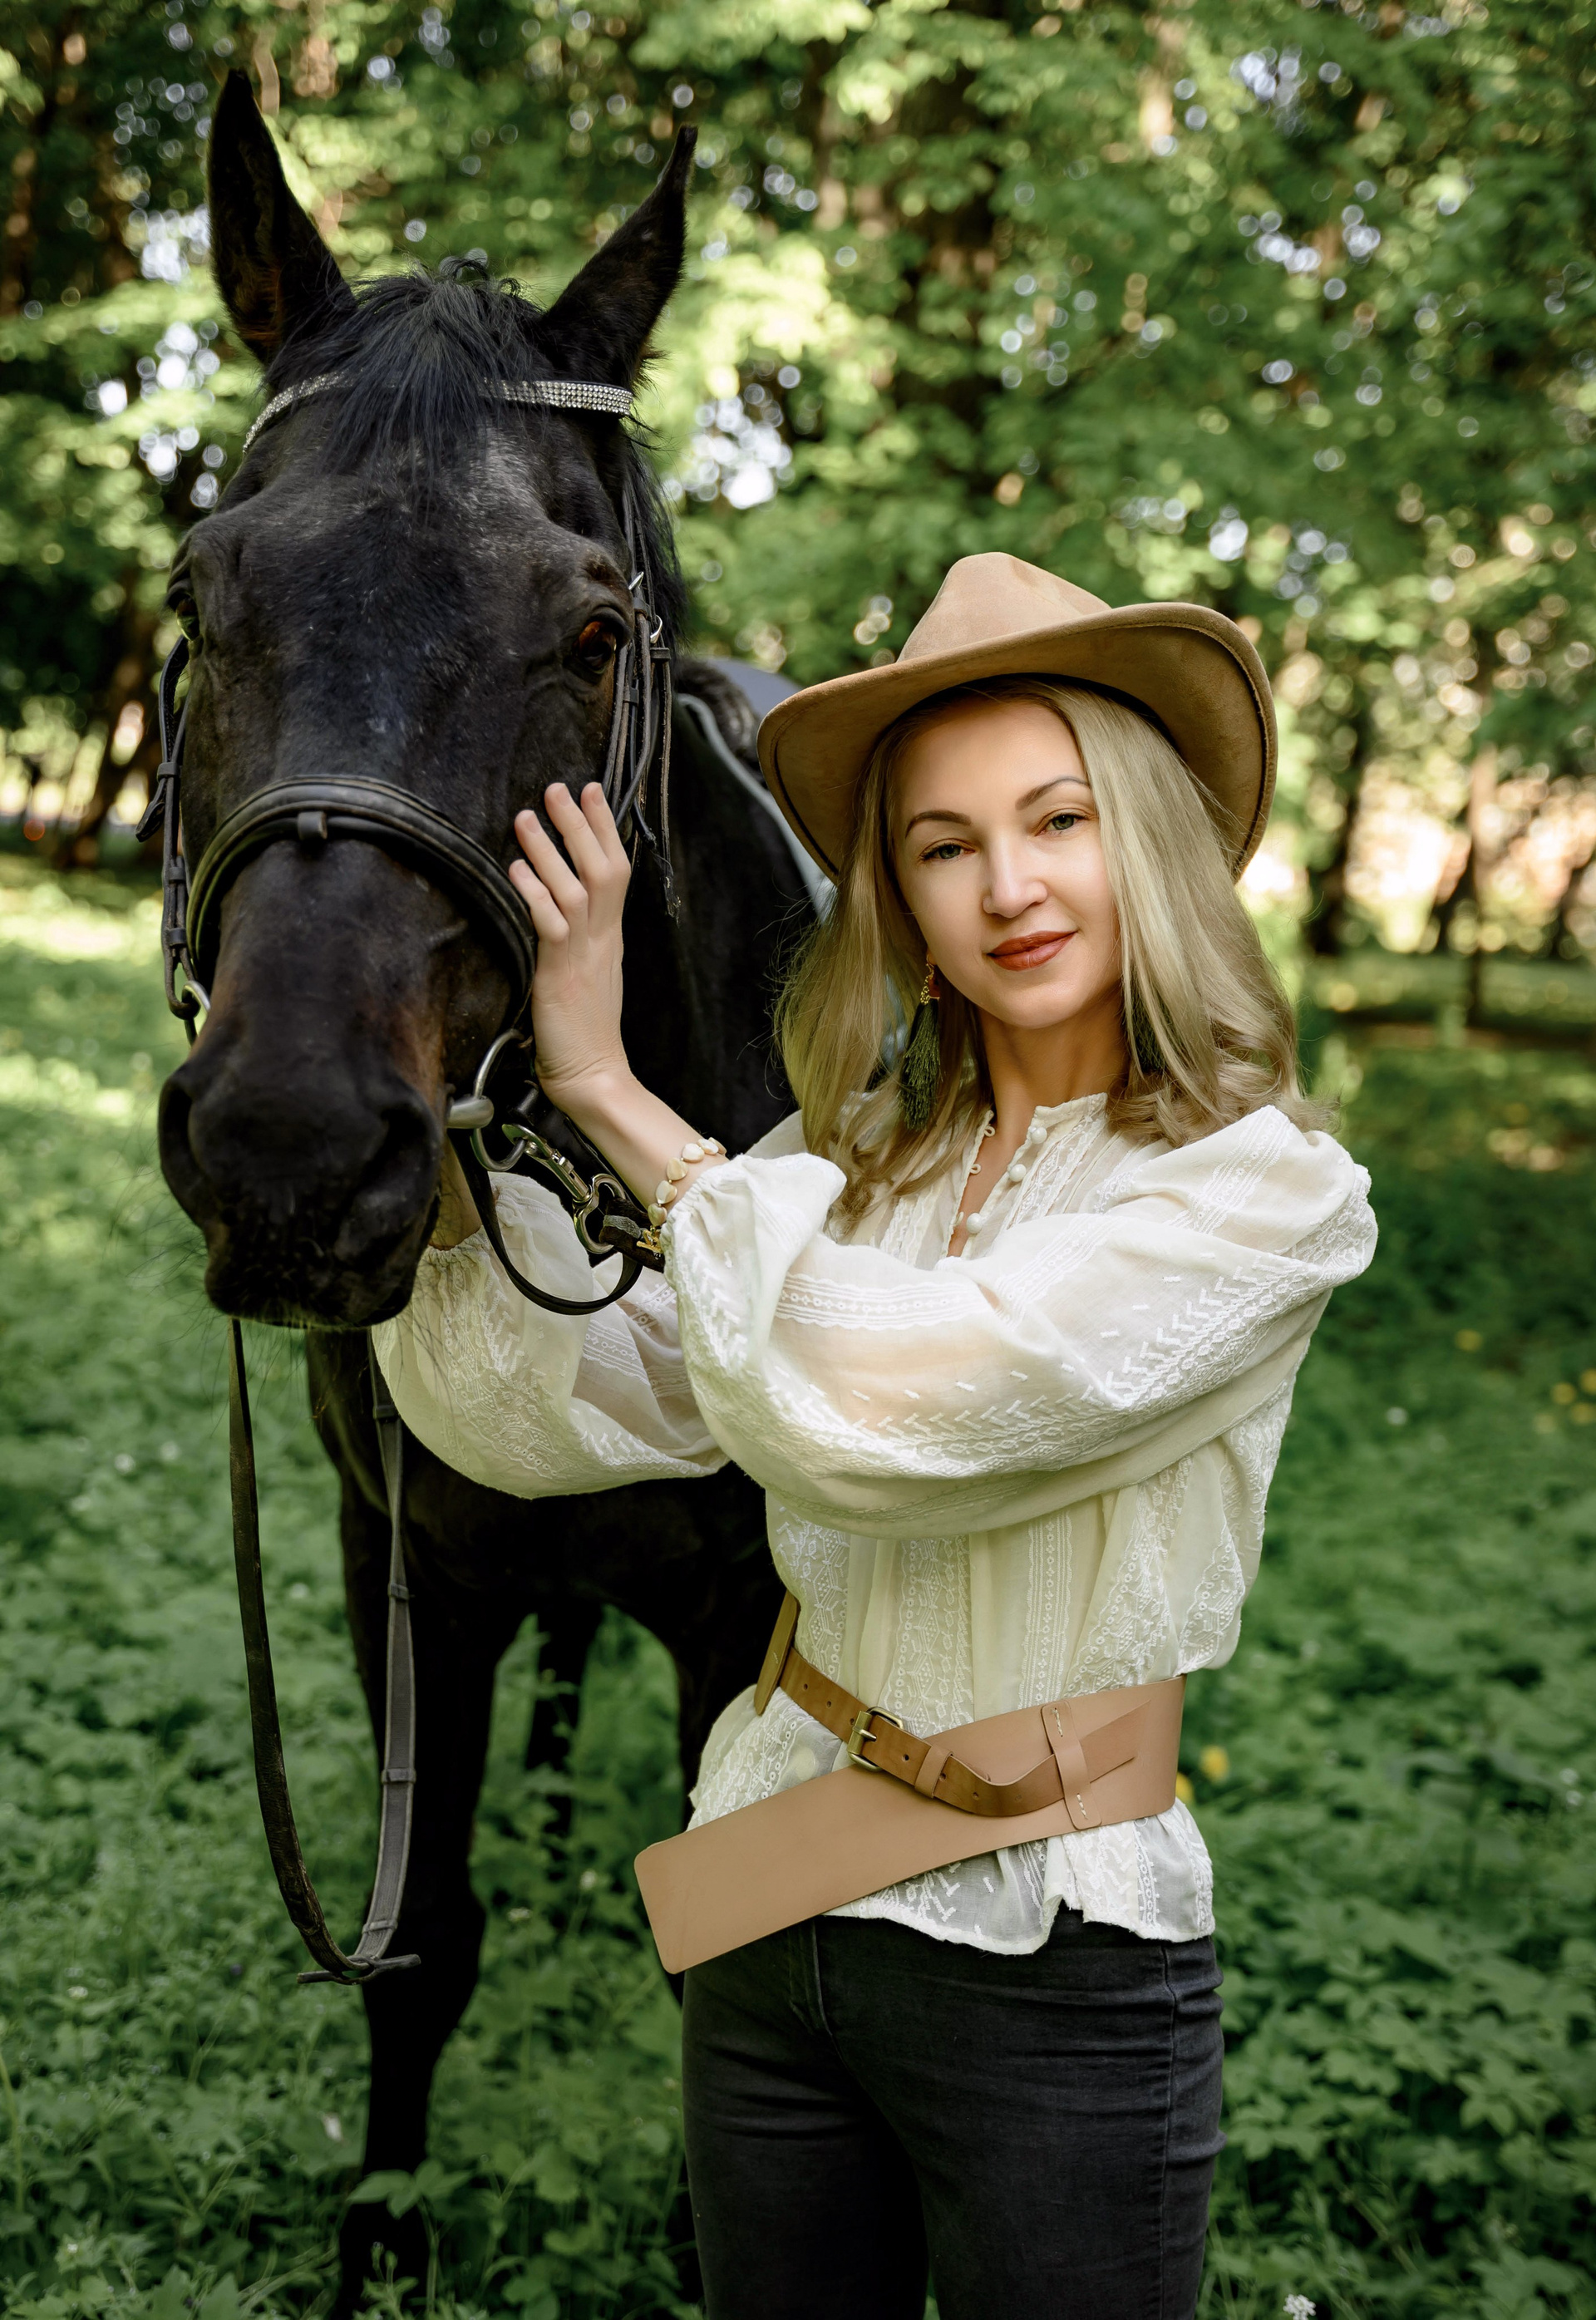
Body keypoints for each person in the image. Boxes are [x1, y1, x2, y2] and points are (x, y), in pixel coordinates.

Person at [375, 554, 1377, 2320]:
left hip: (1048, 1952)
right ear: (899, 901)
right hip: (776, 1884)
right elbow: (576, 1398)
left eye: (1058, 819)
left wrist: (611, 1090)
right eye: (942, 844)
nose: (1010, 887)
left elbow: (882, 1405)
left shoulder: (1264, 1194)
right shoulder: (855, 1167)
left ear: (1147, 841)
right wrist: (418, 1151)